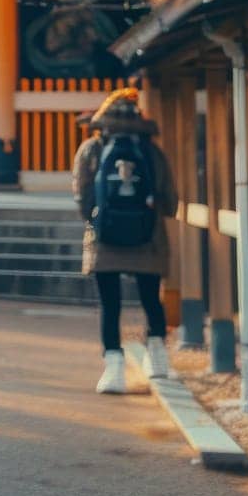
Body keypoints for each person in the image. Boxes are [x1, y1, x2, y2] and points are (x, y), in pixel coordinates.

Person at [71, 88, 178, 394]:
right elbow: (170, 201)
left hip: (105, 238)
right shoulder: (151, 152)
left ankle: (114, 369)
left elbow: (82, 194)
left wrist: (96, 221)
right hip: (149, 236)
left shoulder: (92, 149)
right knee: (150, 299)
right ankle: (157, 359)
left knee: (110, 303)